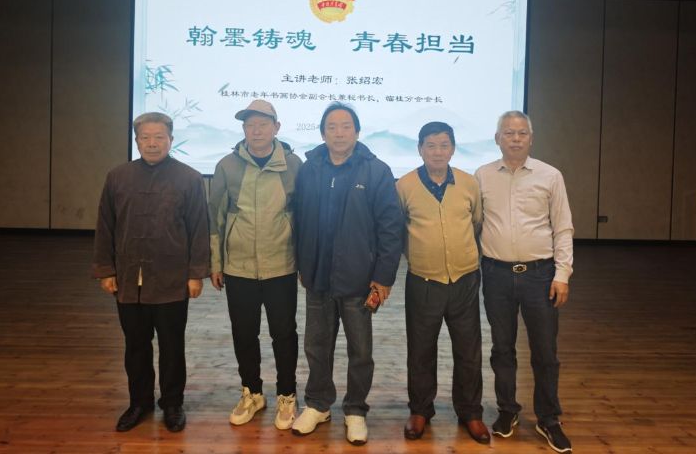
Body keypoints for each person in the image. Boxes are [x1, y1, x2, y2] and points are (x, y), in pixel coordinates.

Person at [291, 102, 403, 445]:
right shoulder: (310, 169)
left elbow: (390, 228)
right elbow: (299, 220)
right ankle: (318, 404)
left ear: (357, 131)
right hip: (318, 277)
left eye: (345, 126)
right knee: (316, 346)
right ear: (322, 132)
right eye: (332, 127)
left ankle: (355, 409)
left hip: (359, 279)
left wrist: (383, 277)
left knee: (360, 350)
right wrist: (303, 264)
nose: (339, 133)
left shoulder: (376, 171)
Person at [92, 112, 210, 433]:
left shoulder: (189, 178)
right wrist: (106, 270)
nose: (152, 143)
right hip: (129, 279)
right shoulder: (118, 177)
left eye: (159, 137)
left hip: (172, 279)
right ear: (137, 141)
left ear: (171, 140)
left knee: (172, 346)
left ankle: (172, 403)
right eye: (145, 137)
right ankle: (139, 402)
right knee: (136, 346)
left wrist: (195, 274)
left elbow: (199, 229)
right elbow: (105, 226)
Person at [475, 111, 574, 454]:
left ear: (531, 138)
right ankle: (507, 410)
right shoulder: (482, 176)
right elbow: (474, 223)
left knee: (545, 352)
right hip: (496, 274)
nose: (515, 139)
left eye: (521, 133)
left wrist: (562, 274)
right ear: (497, 138)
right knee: (502, 349)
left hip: (540, 275)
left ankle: (549, 418)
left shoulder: (550, 175)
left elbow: (563, 227)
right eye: (508, 133)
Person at [207, 100, 302, 430]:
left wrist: (303, 263)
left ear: (277, 127)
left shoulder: (293, 164)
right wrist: (216, 262)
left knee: (284, 334)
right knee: (244, 333)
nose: (256, 130)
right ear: (244, 130)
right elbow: (216, 218)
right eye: (250, 125)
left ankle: (287, 395)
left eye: (263, 124)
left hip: (281, 265)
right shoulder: (227, 166)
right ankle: (252, 392)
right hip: (239, 267)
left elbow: (303, 215)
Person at [396, 122, 490, 444]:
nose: (438, 151)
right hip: (423, 280)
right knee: (421, 350)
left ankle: (471, 412)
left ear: (453, 148)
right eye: (431, 145)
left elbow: (476, 222)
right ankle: (420, 410)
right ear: (420, 149)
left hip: (464, 279)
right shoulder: (405, 185)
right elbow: (399, 229)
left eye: (444, 145)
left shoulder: (468, 183)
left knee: (468, 350)